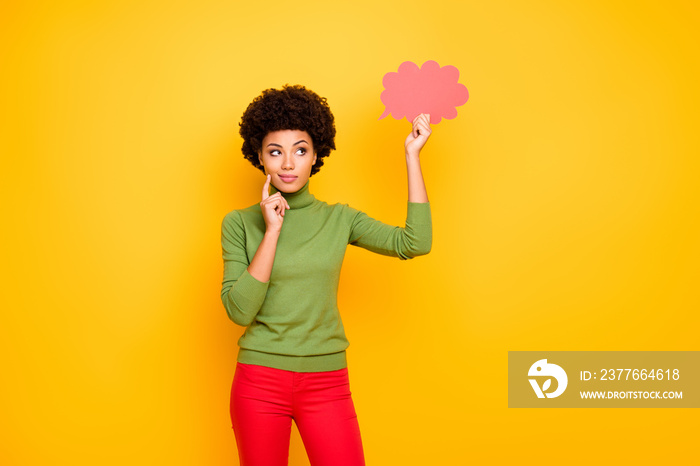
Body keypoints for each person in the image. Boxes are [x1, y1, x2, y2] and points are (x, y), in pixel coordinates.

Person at [220, 84, 433, 466]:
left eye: (300, 150)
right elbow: (239, 311)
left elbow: (413, 243)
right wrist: (272, 232)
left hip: (327, 382)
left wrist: (411, 156)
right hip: (259, 383)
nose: (288, 164)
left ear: (316, 154)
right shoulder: (240, 223)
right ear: (260, 157)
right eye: (275, 152)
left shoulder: (340, 219)